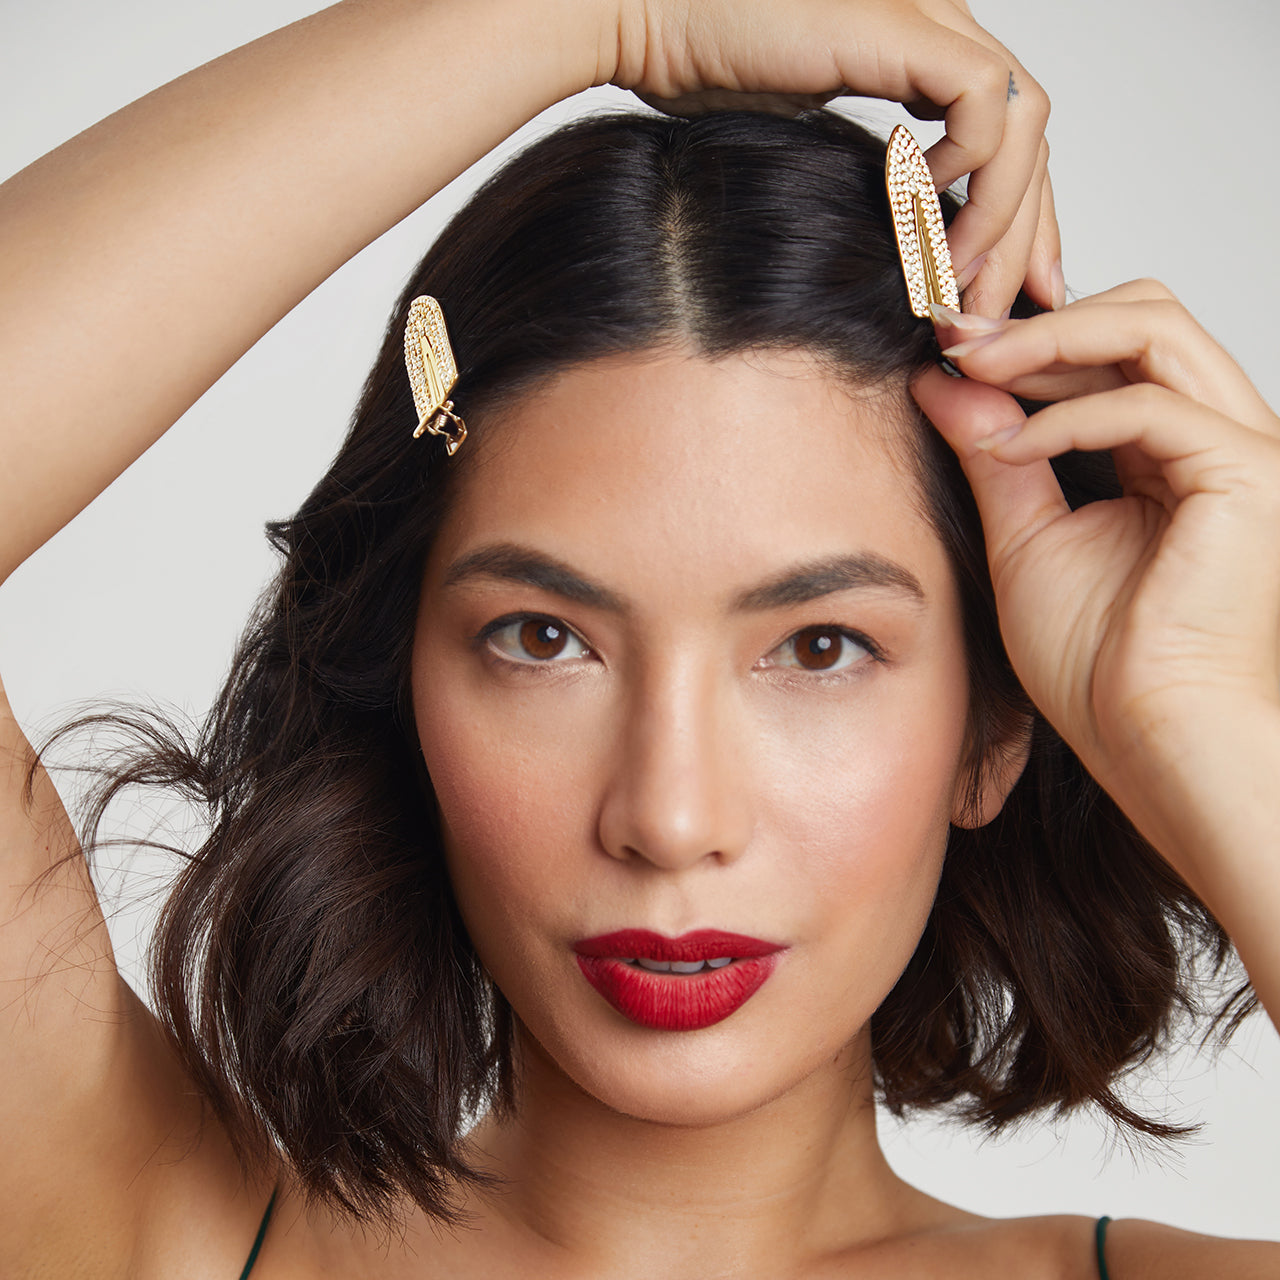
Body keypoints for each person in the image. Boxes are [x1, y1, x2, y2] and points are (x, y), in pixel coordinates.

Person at [1, 1, 1277, 1277]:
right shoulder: (163, 1233)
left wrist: (1197, 710)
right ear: (405, 687)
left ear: (992, 725)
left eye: (818, 646)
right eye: (542, 638)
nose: (669, 819)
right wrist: (594, 16)